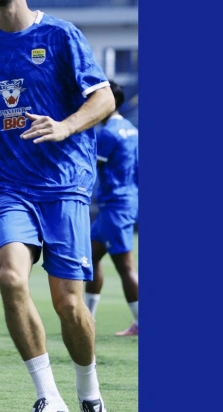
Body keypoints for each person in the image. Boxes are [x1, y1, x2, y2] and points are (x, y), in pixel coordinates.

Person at [0, 0, 116, 412]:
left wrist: (65, 126)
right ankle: (48, 396)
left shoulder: (62, 35)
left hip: (65, 185)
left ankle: (89, 394)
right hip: (10, 186)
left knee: (69, 304)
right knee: (10, 278)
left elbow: (104, 98)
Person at [83, 80, 139, 337]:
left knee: (125, 267)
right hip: (124, 200)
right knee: (91, 257)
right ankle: (87, 317)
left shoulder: (108, 134)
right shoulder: (132, 129)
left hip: (115, 204)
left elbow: (91, 166)